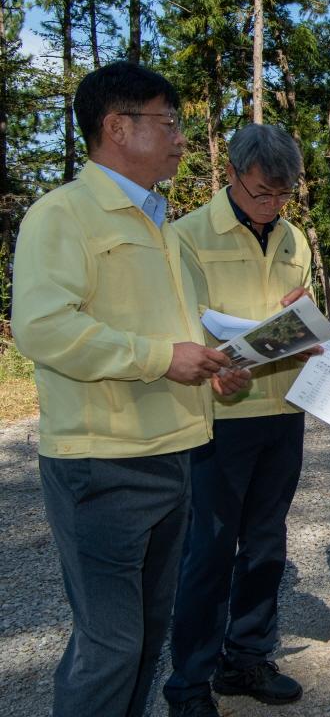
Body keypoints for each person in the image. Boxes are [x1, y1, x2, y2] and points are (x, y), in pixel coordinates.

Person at [11, 62, 248, 717]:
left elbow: (178, 335)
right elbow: (44, 326)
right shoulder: (62, 216)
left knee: (147, 634)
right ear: (119, 127)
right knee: (111, 642)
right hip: (102, 462)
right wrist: (159, 358)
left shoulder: (162, 229)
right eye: (168, 123)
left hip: (172, 455)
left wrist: (218, 366)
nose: (179, 139)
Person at [163, 125, 316, 715]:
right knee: (209, 549)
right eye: (261, 194)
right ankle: (190, 683)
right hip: (218, 417)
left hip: (282, 409)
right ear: (230, 175)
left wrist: (303, 319)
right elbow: (182, 322)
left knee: (265, 545)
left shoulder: (293, 237)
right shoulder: (187, 236)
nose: (272, 206)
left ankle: (246, 657)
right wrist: (212, 363)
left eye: (282, 196)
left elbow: (297, 313)